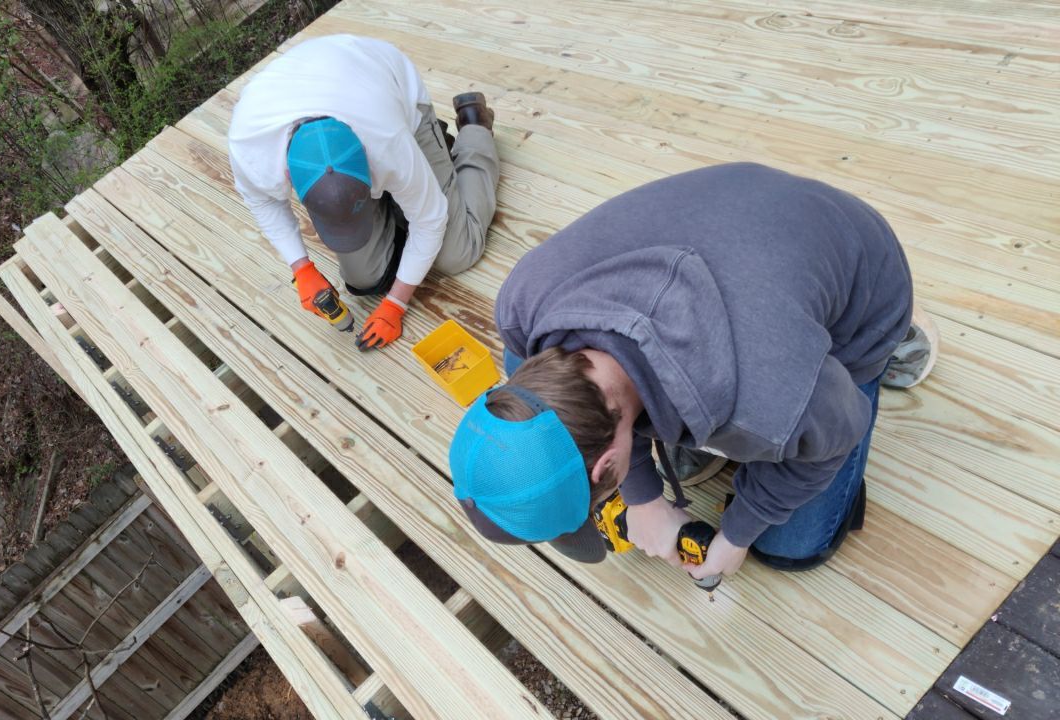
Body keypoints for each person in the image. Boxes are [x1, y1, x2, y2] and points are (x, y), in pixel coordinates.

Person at [448, 163, 939, 582]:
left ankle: (893, 337)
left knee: (791, 546)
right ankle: (795, 319)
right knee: (716, 434)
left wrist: (740, 534)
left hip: (858, 268)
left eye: (605, 491)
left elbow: (840, 428)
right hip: (730, 217)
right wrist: (642, 499)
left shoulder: (769, 401)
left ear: (603, 469)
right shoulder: (523, 308)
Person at [228, 34, 499, 351]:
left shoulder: (388, 139)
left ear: (369, 165)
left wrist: (397, 304)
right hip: (321, 83)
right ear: (288, 176)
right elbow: (263, 203)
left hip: (392, 88)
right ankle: (412, 184)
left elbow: (430, 219)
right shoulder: (251, 151)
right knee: (363, 279)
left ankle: (474, 129)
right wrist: (301, 268)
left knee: (456, 253)